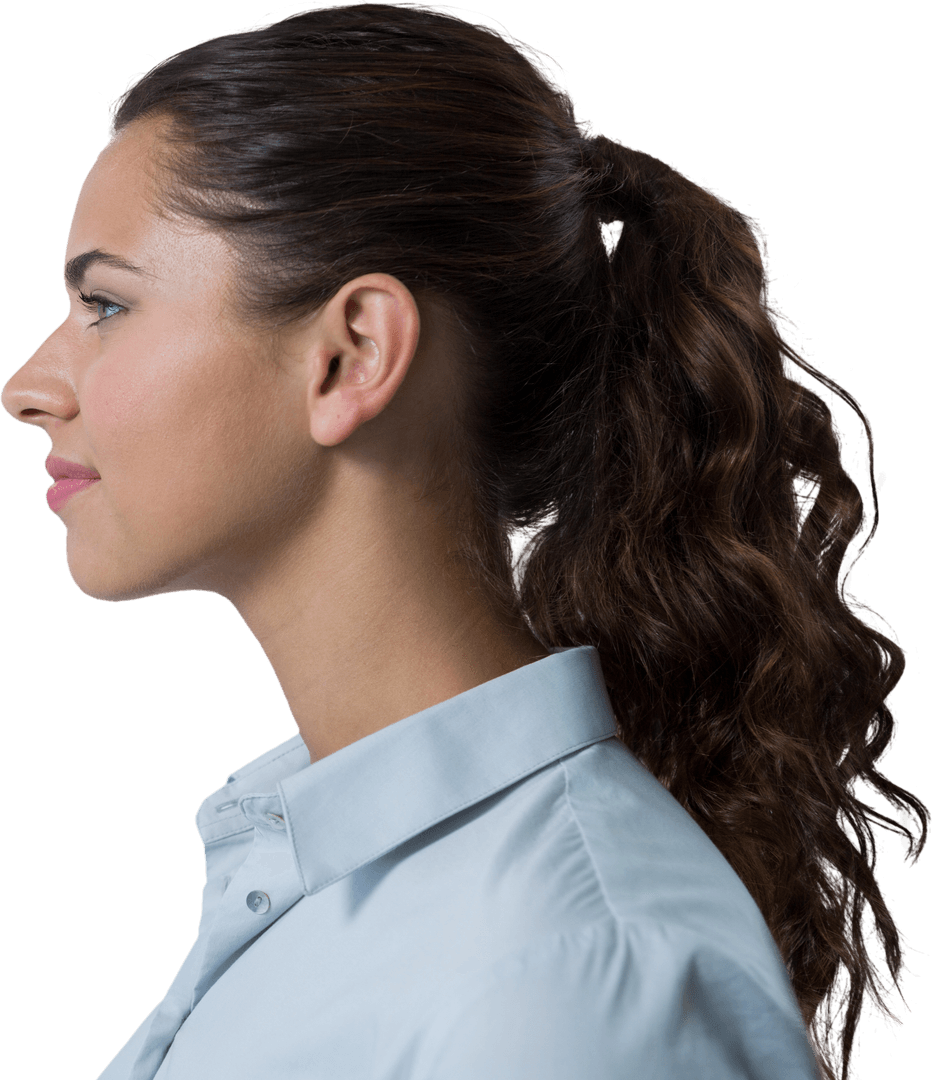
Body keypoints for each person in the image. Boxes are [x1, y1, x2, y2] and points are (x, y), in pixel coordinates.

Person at [1, 4, 928, 1079]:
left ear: (351, 356)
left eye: (106, 305)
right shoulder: (361, 909)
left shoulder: (567, 989)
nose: (29, 387)